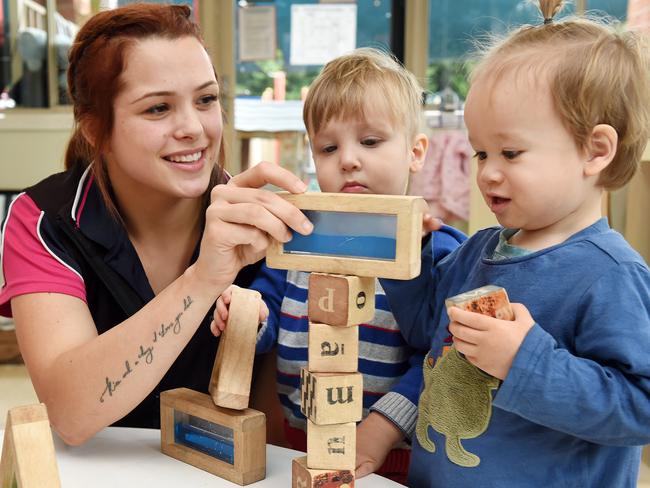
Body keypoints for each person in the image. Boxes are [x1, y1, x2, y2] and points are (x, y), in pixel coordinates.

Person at [0, 3, 315, 446]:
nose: (193, 127)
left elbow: (272, 418)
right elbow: (69, 414)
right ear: (95, 129)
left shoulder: (257, 222)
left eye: (206, 99)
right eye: (158, 108)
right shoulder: (45, 220)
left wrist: (428, 244)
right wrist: (204, 278)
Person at [378, 1, 650, 486]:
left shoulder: (612, 275)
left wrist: (524, 361)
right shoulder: (475, 250)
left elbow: (638, 408)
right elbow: (424, 331)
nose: (487, 172)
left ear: (595, 150)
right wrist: (412, 256)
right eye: (481, 152)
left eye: (511, 152)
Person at [212, 47, 466, 484]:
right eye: (328, 147)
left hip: (396, 456)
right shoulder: (299, 236)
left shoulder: (438, 250)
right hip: (304, 438)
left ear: (415, 151)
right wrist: (250, 315)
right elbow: (270, 312)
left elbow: (443, 358)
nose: (347, 158)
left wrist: (382, 430)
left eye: (370, 142)